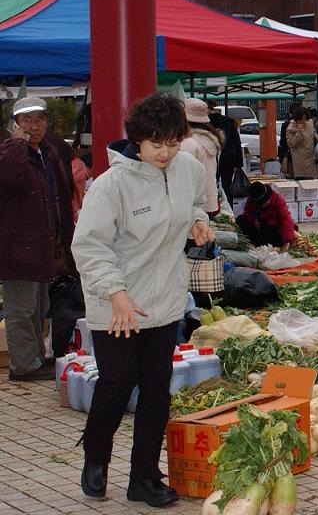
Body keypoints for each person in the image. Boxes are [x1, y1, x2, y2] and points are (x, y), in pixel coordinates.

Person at [72, 93, 212, 507]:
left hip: (165, 301)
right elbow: (90, 247)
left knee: (156, 391)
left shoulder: (186, 167)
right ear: (137, 141)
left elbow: (196, 205)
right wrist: (116, 293)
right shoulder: (112, 185)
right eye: (156, 145)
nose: (166, 152)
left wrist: (199, 225)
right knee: (117, 384)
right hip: (117, 303)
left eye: (172, 142)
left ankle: (144, 478)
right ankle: (95, 455)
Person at [0, 97, 77, 381]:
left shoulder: (47, 151)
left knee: (38, 308)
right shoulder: (11, 152)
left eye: (39, 119)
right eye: (27, 121)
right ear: (16, 125)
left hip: (43, 244)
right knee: (21, 309)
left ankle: (34, 357)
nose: (34, 126)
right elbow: (8, 178)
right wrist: (17, 144)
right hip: (17, 246)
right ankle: (23, 366)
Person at [180, 98, 223, 218]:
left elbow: (184, 177)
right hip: (208, 200)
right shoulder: (210, 140)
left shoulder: (189, 143)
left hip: (193, 204)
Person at [237, 182, 296, 248]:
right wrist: (253, 221)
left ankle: (260, 244)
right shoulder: (251, 200)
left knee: (267, 231)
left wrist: (287, 240)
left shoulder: (278, 200)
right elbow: (247, 213)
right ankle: (251, 243)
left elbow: (286, 220)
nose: (265, 204)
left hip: (272, 230)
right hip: (257, 228)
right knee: (241, 219)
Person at [208, 101, 243, 201]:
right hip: (228, 157)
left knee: (211, 185)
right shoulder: (228, 122)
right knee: (227, 185)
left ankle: (213, 207)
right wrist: (239, 163)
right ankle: (229, 209)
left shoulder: (204, 124)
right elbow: (237, 141)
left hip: (211, 157)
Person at [285, 105, 318, 179]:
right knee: (303, 182)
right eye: (301, 119)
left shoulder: (309, 122)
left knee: (313, 180)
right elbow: (291, 144)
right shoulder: (291, 128)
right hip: (300, 162)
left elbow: (313, 134)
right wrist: (299, 133)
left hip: (311, 159)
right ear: (296, 119)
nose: (303, 121)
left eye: (305, 119)